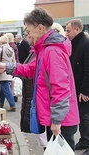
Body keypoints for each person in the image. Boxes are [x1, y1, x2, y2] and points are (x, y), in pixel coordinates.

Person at [0, 8, 80, 151]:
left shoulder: (51, 51)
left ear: (40, 28)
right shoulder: (45, 49)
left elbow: (61, 88)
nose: (27, 33)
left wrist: (57, 120)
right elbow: (31, 69)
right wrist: (7, 67)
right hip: (57, 116)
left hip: (61, 118)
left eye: (29, 29)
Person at [65, 19, 89, 153]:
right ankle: (84, 140)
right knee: (82, 116)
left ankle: (87, 141)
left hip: (83, 89)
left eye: (68, 30)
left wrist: (85, 91)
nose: (66, 33)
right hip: (76, 87)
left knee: (85, 117)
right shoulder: (74, 43)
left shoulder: (85, 43)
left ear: (77, 29)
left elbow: (88, 68)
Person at [0, 35, 16, 111]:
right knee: (3, 88)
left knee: (6, 88)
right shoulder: (11, 49)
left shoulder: (0, 49)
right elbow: (14, 60)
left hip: (2, 70)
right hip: (9, 69)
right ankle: (1, 103)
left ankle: (12, 104)